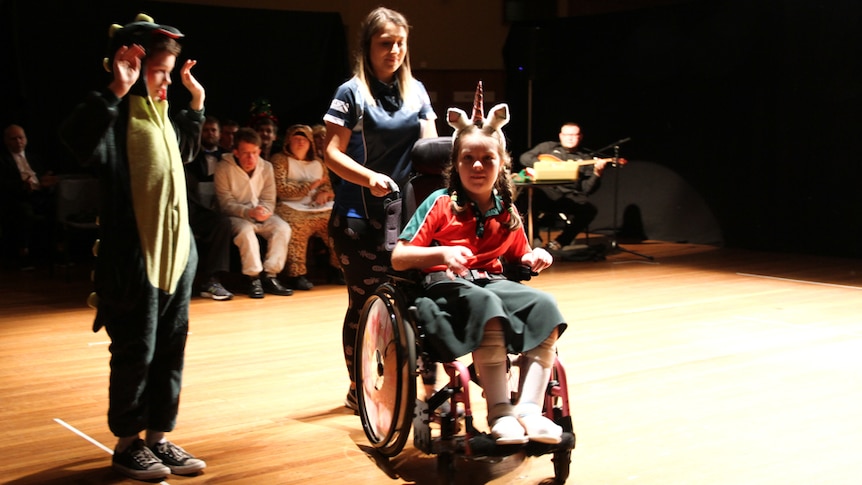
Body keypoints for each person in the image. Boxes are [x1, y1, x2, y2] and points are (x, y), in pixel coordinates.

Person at [57, 13, 206, 480]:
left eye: (169, 74)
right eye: (159, 74)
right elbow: (75, 141)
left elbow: (185, 150)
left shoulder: (162, 114)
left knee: (170, 350)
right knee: (135, 354)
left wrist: (195, 105)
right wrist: (114, 93)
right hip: (134, 262)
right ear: (132, 70)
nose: (166, 83)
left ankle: (159, 437)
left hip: (176, 258)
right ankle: (127, 443)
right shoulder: (117, 114)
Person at [391, 106, 565, 445]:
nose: (477, 166)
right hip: (444, 290)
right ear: (456, 164)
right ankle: (500, 411)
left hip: (492, 285)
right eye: (468, 158)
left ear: (501, 164)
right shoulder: (440, 203)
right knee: (486, 302)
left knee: (545, 305)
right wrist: (441, 253)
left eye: (487, 159)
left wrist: (536, 255)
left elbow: (519, 255)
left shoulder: (506, 210)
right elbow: (399, 257)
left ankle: (529, 411)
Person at [322, 6, 438, 411]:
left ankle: (419, 390)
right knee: (365, 304)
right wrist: (366, 177)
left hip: (407, 217)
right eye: (385, 43)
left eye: (400, 43)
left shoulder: (417, 91)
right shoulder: (350, 92)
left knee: (418, 304)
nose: (394, 51)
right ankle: (359, 387)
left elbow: (430, 149)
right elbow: (331, 153)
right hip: (358, 219)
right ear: (367, 47)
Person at [214, 127, 293, 298]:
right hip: (236, 216)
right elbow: (225, 203)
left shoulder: (266, 167)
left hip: (261, 213)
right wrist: (249, 212)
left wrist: (265, 211)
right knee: (245, 231)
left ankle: (270, 275)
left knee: (282, 228)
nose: (251, 158)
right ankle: (253, 278)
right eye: (246, 153)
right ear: (236, 152)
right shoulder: (223, 167)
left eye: (254, 153)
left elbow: (269, 198)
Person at [271, 124, 340, 291]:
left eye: (304, 139)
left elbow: (327, 186)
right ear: (288, 142)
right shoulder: (280, 160)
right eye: (296, 139)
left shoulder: (318, 162)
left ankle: (337, 268)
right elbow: (282, 189)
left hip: (318, 207)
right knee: (296, 226)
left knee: (338, 222)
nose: (301, 142)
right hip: (290, 206)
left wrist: (325, 193)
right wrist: (311, 186)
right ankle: (297, 274)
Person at [518, 122, 608, 250]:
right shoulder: (548, 147)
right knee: (527, 196)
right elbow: (524, 158)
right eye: (566, 135)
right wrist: (547, 166)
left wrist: (597, 174)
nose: (570, 138)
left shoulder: (585, 158)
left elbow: (587, 189)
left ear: (580, 137)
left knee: (589, 210)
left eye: (574, 135)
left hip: (568, 197)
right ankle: (533, 237)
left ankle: (561, 241)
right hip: (546, 194)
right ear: (560, 136)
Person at [184, 115, 234, 300]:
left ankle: (212, 280)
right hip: (192, 211)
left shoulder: (228, 158)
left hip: (219, 209)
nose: (210, 133)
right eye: (206, 129)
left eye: (213, 130)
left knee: (223, 223)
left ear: (219, 133)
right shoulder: (188, 155)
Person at [1, 124, 59, 269]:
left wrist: (47, 181)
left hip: (39, 194)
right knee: (24, 212)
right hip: (17, 197)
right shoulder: (2, 160)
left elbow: (42, 176)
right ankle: (23, 254)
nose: (18, 142)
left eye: (21, 138)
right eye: (14, 139)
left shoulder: (35, 158)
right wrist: (23, 185)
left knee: (59, 208)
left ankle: (55, 253)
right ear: (7, 141)